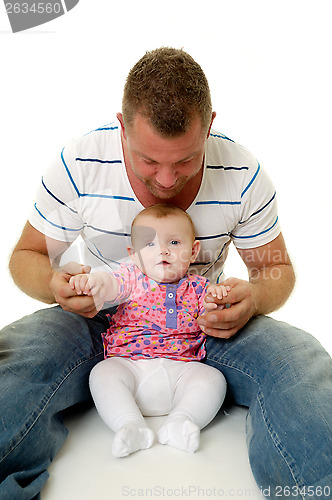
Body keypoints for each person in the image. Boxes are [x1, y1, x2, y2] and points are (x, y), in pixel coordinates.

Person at [0, 47, 331, 499]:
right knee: (15, 364)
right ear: (122, 126)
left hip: (203, 323)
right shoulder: (81, 162)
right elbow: (27, 255)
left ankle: (314, 490)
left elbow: (276, 271)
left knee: (300, 364)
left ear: (209, 126)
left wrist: (252, 298)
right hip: (98, 317)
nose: (169, 180)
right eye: (150, 161)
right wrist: (54, 285)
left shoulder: (243, 173)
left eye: (186, 160)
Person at [69, 204, 228, 457]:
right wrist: (95, 282)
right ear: (133, 254)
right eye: (150, 244)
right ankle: (129, 423)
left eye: (174, 242)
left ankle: (181, 420)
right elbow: (110, 285)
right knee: (103, 373)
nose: (163, 250)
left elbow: (212, 310)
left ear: (193, 251)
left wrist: (217, 299)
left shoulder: (198, 287)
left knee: (213, 380)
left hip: (182, 370)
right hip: (130, 366)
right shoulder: (132, 278)